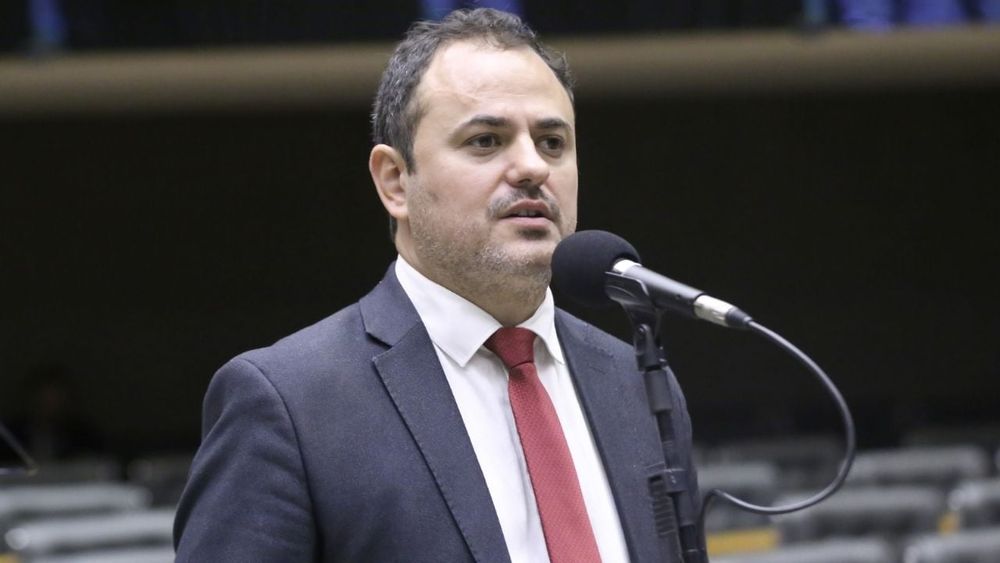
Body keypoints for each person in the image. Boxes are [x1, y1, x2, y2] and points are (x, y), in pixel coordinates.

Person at [173, 8, 699, 562]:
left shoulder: (638, 383)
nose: (532, 167)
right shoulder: (288, 404)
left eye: (552, 142)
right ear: (395, 182)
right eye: (486, 140)